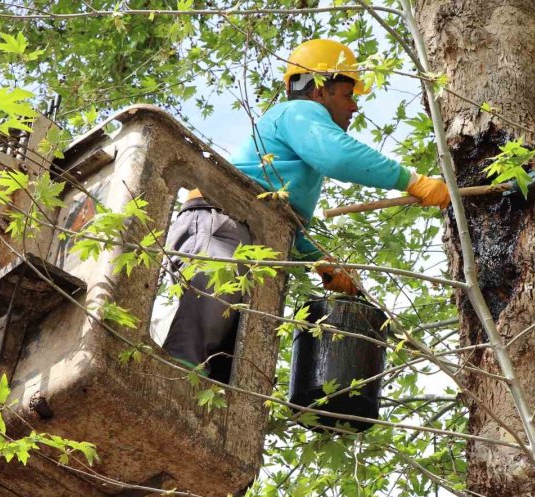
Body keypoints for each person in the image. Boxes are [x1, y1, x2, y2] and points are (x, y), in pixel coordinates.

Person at [161, 39, 449, 381]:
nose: (354, 107)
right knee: (202, 322)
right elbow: (337, 155)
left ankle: (194, 402)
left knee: (223, 360)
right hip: (220, 218)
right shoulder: (298, 112)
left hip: (247, 229)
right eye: (347, 94)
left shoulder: (295, 161)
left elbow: (283, 223)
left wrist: (320, 260)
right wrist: (411, 180)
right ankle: (168, 384)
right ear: (318, 91)